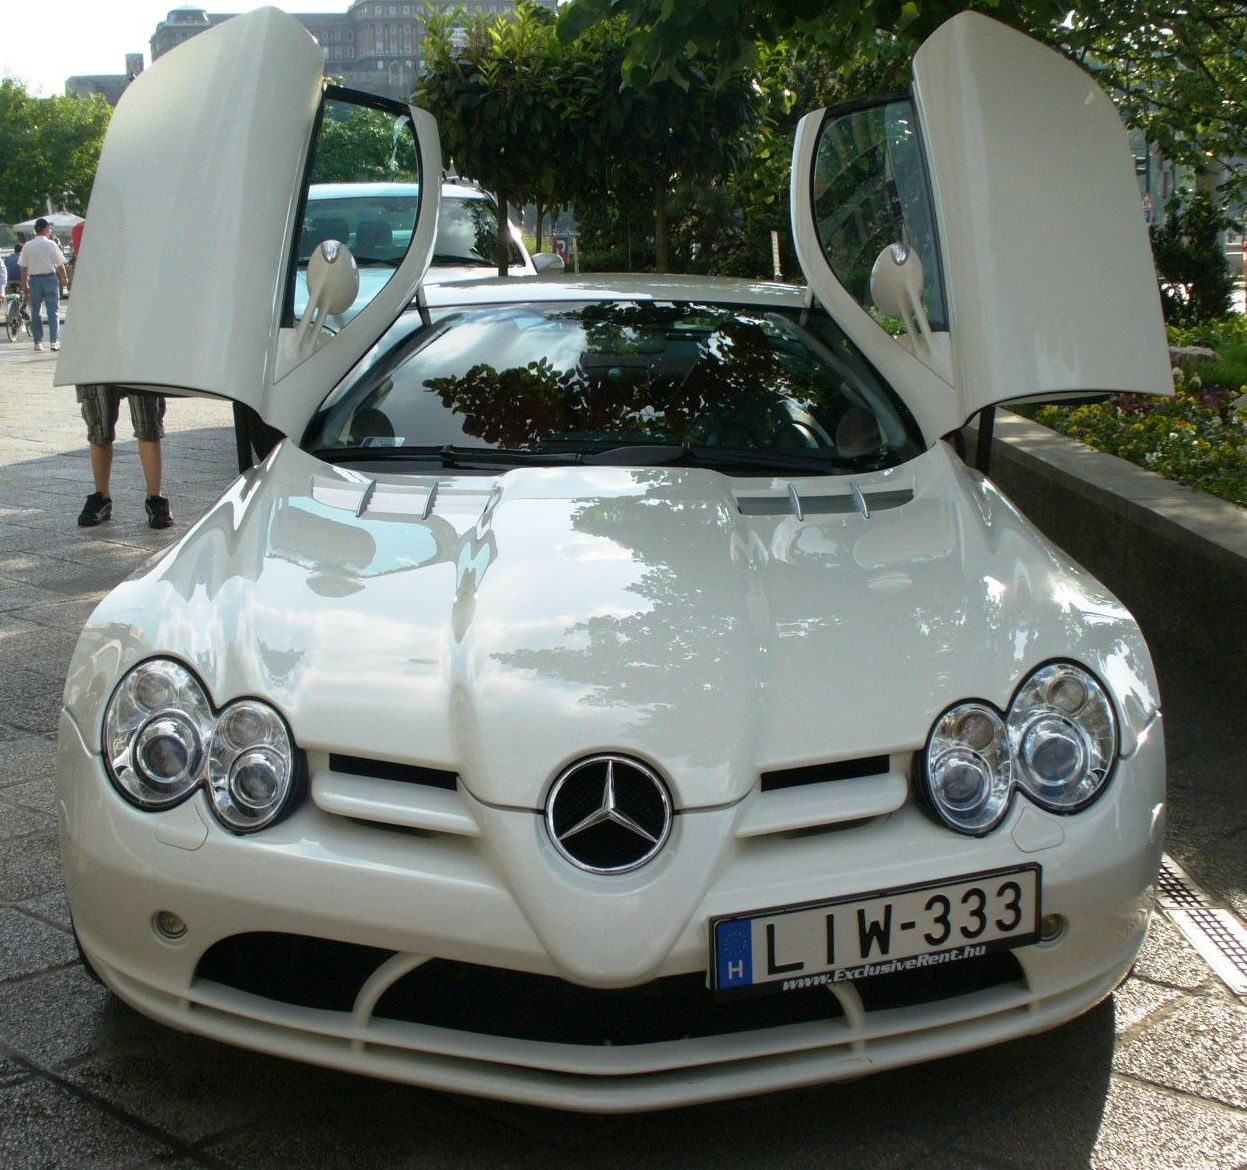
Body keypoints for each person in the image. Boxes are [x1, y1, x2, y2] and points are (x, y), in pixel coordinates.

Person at [76, 386, 173, 529]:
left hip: (140, 365)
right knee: (98, 423)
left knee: (148, 420)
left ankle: (155, 498)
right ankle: (101, 497)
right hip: (97, 365)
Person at [18, 218, 68, 351]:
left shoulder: (27, 246)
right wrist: (65, 278)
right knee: (53, 311)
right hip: (50, 278)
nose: (50, 230)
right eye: (49, 228)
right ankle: (54, 342)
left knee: (36, 312)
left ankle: (38, 342)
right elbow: (60, 264)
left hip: (34, 280)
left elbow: (23, 268)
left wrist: (25, 284)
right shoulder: (51, 244)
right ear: (44, 229)